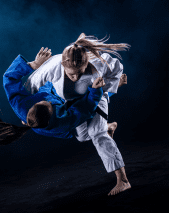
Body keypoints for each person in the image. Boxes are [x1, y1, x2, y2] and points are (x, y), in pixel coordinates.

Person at [23, 33, 131, 196]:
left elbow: (116, 69)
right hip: (73, 105)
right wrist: (26, 113)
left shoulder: (98, 63)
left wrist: (109, 86)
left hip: (95, 96)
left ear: (86, 62)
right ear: (62, 64)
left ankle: (123, 181)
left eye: (80, 73)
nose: (76, 77)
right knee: (81, 136)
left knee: (98, 135)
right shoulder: (53, 65)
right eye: (72, 74)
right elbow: (29, 85)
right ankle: (108, 127)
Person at [0, 48, 105, 151]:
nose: (47, 101)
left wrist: (33, 64)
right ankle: (104, 128)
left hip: (38, 94)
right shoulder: (62, 121)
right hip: (66, 125)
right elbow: (85, 110)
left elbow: (8, 78)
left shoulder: (22, 106)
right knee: (82, 135)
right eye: (48, 104)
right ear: (53, 112)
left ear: (31, 107)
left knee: (41, 87)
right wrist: (94, 90)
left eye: (39, 102)